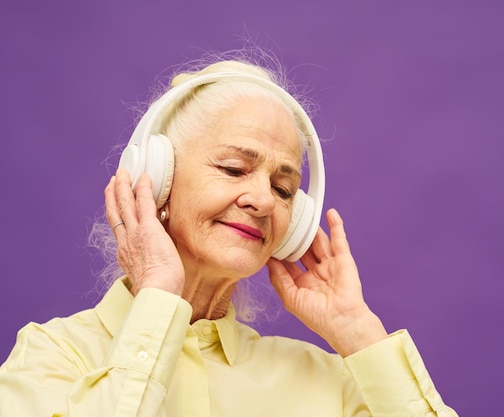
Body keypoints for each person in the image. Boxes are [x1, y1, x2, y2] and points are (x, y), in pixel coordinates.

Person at [0, 53, 458, 416]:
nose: (263, 200)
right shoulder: (52, 356)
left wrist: (358, 332)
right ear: (156, 179)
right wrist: (158, 293)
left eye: (283, 188)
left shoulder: (325, 381)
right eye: (234, 168)